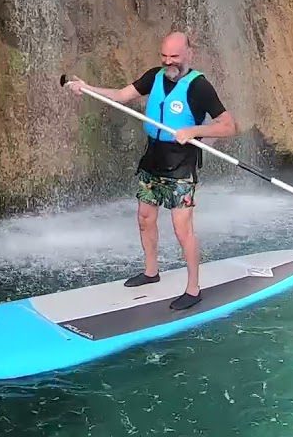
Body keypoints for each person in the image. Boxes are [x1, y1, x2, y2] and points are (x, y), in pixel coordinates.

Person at [63, 32, 237, 311]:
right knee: (145, 218)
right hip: (153, 158)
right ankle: (151, 272)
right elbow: (121, 95)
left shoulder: (199, 87)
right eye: (164, 57)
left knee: (182, 229)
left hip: (181, 163)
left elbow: (229, 125)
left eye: (175, 57)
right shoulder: (154, 76)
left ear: (189, 54)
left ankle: (193, 289)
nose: (169, 62)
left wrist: (195, 130)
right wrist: (88, 88)